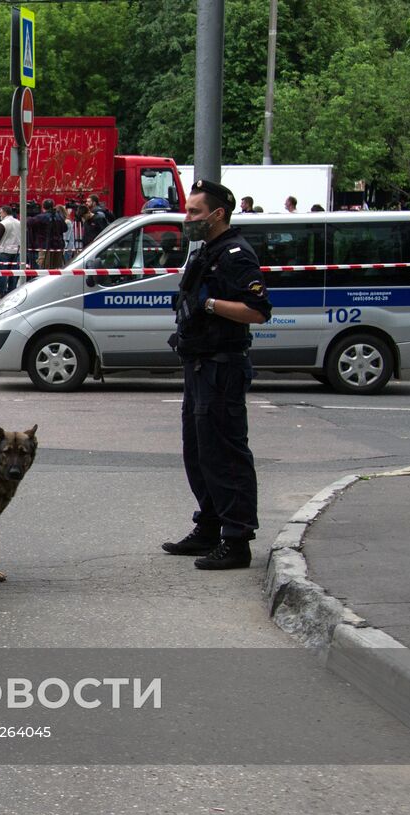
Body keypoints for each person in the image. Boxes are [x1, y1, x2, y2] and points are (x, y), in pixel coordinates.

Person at [161, 179, 272, 571]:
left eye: (194, 212)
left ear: (217, 214)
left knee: (225, 455)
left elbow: (257, 310)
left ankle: (237, 539)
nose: (187, 218)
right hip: (198, 365)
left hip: (221, 368)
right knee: (198, 452)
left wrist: (208, 304)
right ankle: (208, 525)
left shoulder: (237, 255)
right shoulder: (207, 251)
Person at [0, 205, 20, 298]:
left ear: (4, 212)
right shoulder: (18, 222)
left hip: (4, 250)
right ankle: (12, 290)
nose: (0, 214)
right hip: (16, 251)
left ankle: (2, 291)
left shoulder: (3, 223)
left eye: (0, 212)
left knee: (2, 272)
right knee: (14, 272)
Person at [32, 198, 66, 270]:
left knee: (44, 268)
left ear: (43, 207)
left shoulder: (41, 217)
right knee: (57, 268)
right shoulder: (59, 216)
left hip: (45, 246)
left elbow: (30, 225)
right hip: (58, 246)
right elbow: (65, 228)